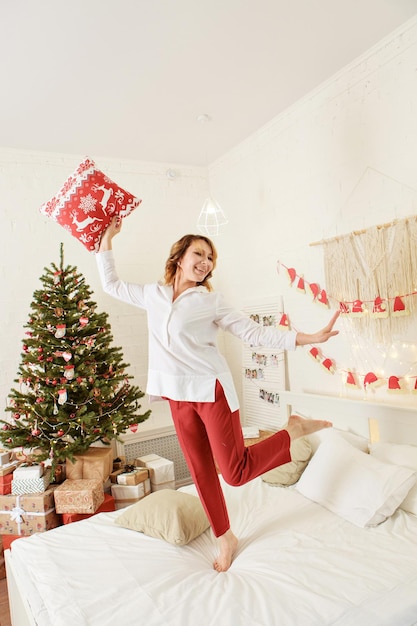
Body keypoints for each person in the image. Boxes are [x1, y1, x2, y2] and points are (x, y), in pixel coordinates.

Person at [96, 217, 340, 572]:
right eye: (199, 253)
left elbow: (255, 333)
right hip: (177, 396)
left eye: (210, 258)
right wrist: (107, 240)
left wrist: (307, 338)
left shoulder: (210, 302)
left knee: (235, 472)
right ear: (179, 257)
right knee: (200, 471)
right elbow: (111, 283)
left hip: (212, 392)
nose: (205, 262)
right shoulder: (154, 295)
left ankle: (294, 431)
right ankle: (224, 536)